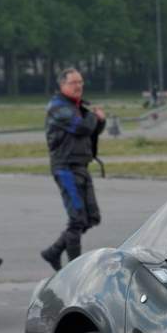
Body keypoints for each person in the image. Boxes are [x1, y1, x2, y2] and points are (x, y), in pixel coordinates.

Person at [41, 68, 105, 271]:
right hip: (65, 168)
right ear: (62, 85)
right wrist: (94, 116)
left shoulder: (77, 106)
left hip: (81, 166)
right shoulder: (58, 107)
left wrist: (100, 120)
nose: (78, 86)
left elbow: (91, 130)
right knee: (77, 219)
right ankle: (74, 269)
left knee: (90, 217)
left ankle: (53, 252)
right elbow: (82, 127)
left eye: (80, 82)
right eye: (73, 83)